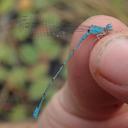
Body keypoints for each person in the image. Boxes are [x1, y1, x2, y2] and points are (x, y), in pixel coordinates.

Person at [38, 15, 128, 128]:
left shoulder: (101, 31)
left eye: (109, 28)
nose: (109, 29)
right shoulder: (96, 31)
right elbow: (98, 37)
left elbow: (99, 36)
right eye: (108, 28)